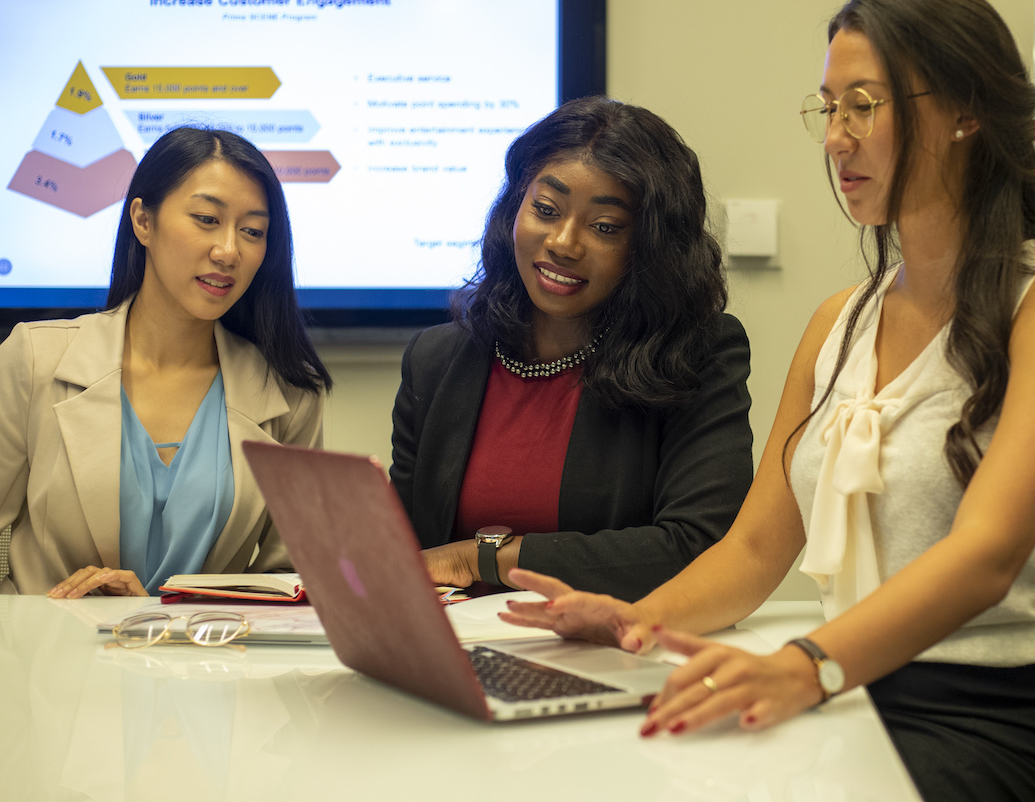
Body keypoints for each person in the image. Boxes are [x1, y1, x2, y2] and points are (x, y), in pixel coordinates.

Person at [499, 0, 1035, 801]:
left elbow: (986, 558)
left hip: (1001, 717)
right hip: (855, 687)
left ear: (965, 112)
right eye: (828, 108)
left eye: (864, 106)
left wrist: (806, 666)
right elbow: (755, 549)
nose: (836, 139)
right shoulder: (840, 320)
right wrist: (637, 621)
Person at [390, 96, 753, 603]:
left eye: (605, 227)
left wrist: (479, 558)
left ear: (649, 247)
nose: (563, 242)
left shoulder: (698, 354)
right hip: (452, 655)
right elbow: (408, 553)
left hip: (614, 653)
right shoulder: (436, 359)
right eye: (545, 209)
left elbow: (698, 547)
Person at [0, 127, 331, 597]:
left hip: (209, 661)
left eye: (253, 231)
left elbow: (289, 587)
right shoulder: (33, 358)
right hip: (47, 660)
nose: (228, 251)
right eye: (205, 219)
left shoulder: (293, 394)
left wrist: (163, 619)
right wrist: (31, 625)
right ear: (143, 221)